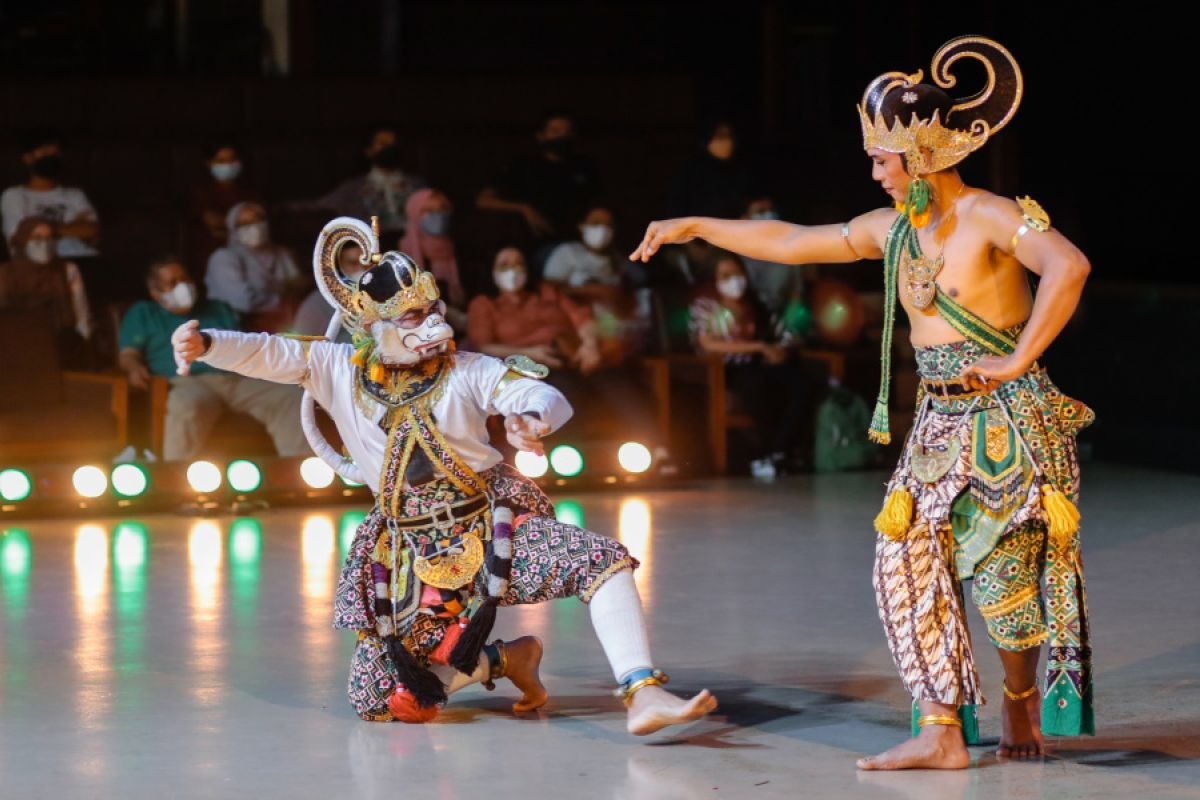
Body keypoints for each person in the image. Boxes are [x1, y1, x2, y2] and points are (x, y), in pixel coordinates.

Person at [632, 36, 1093, 769]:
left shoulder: (994, 215)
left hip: (1010, 420)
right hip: (940, 422)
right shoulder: (893, 229)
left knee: (1007, 587)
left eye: (884, 158)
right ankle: (942, 726)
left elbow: (1068, 266)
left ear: (926, 153)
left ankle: (1018, 700)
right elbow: (791, 241)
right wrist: (697, 226)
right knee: (905, 560)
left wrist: (1017, 358)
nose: (875, 172)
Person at [170, 216, 716, 734]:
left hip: (488, 527)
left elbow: (537, 391)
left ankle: (642, 690)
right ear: (371, 324)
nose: (432, 323)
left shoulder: (466, 369)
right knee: (377, 700)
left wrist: (531, 419)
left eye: (433, 308)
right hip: (408, 554)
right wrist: (208, 345)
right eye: (411, 317)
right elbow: (271, 352)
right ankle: (505, 660)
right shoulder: (336, 368)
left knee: (603, 562)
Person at [119, 256, 309, 462]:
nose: (182, 286)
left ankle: (299, 477)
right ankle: (176, 480)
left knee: (291, 397)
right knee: (186, 406)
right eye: (172, 283)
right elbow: (128, 354)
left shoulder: (219, 309)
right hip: (185, 382)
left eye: (185, 279)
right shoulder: (144, 313)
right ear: (155, 292)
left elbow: (245, 346)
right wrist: (134, 368)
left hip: (236, 378)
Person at [689, 252, 808, 479]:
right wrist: (758, 347)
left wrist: (780, 348)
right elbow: (707, 343)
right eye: (725, 275)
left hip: (761, 365)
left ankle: (779, 451)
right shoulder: (705, 306)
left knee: (801, 383)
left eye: (737, 273)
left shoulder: (757, 303)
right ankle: (764, 452)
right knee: (755, 386)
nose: (734, 279)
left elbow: (783, 333)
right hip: (725, 370)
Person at [476, 111, 601, 259]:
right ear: (541, 136)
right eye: (555, 131)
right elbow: (483, 200)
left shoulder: (585, 167)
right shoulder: (523, 167)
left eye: (567, 131)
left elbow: (600, 205)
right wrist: (523, 208)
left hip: (581, 245)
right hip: (536, 246)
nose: (562, 136)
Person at [0, 216, 93, 367]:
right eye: (37, 238)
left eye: (49, 238)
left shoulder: (67, 270)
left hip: (61, 348)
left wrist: (78, 345)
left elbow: (81, 315)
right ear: (23, 241)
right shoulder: (5, 275)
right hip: (14, 351)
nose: (44, 243)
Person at [309, 126, 425, 240]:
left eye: (393, 144)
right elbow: (318, 205)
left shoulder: (417, 185)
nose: (390, 148)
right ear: (369, 151)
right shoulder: (352, 188)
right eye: (383, 144)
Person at [205, 201, 304, 332]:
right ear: (233, 229)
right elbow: (243, 301)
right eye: (244, 224)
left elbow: (299, 286)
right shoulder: (224, 258)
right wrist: (282, 301)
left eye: (258, 220)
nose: (253, 227)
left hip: (283, 327)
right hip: (237, 331)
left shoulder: (281, 253)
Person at [2, 132, 101, 261]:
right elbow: (20, 238)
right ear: (28, 158)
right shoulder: (14, 195)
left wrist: (43, 229)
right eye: (44, 151)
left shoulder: (75, 195)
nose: (50, 155)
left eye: (54, 152)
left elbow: (92, 230)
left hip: (83, 260)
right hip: (39, 266)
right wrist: (73, 227)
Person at [665, 118, 753, 221]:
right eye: (720, 136)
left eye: (729, 136)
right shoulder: (691, 174)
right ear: (707, 139)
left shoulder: (740, 172)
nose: (727, 141)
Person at [188, 143, 260, 265]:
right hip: (211, 257)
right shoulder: (201, 193)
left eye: (232, 159)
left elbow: (257, 226)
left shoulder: (250, 194)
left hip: (249, 258)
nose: (228, 164)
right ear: (209, 163)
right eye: (221, 160)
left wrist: (227, 226)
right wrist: (240, 226)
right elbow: (212, 222)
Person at [398, 188, 466, 311]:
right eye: (428, 211)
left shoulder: (457, 248)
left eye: (442, 209)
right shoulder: (400, 256)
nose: (437, 215)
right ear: (415, 214)